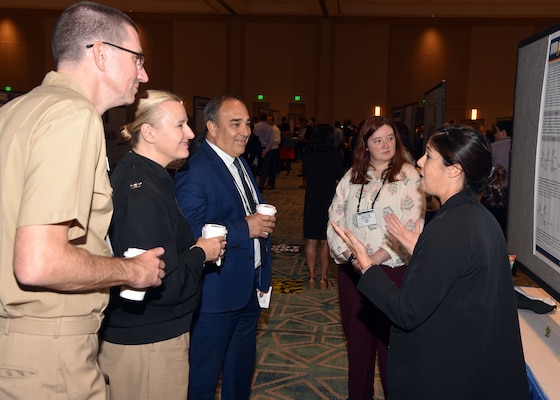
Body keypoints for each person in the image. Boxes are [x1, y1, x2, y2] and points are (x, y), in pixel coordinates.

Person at [0, 2, 165, 398]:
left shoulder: (15, 112)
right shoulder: (73, 115)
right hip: (52, 353)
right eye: (137, 58)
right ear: (102, 53)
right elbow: (39, 263)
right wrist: (131, 271)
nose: (143, 74)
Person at [331, 124, 530, 400]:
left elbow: (406, 312)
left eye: (429, 156)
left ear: (454, 170)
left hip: (453, 374)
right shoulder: (478, 217)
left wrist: (367, 267)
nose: (421, 162)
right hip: (475, 363)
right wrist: (422, 249)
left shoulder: (449, 228)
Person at [98, 90, 225, 399]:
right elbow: (157, 282)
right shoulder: (141, 189)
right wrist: (200, 253)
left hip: (148, 334)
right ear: (149, 133)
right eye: (180, 125)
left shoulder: (149, 176)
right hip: (146, 342)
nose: (191, 133)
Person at [174, 94, 275, 400]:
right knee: (203, 379)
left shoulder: (238, 162)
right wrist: (248, 226)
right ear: (212, 127)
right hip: (215, 297)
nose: (245, 131)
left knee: (239, 374)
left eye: (246, 123)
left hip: (246, 289)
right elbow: (192, 234)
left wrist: (262, 276)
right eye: (235, 124)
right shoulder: (195, 169)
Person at [326, 116, 425, 400]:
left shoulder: (409, 176)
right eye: (377, 140)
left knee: (390, 345)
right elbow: (335, 219)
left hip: (390, 273)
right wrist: (351, 256)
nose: (385, 145)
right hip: (352, 272)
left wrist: (373, 259)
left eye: (390, 138)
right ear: (365, 146)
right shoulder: (352, 176)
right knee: (358, 344)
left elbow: (411, 226)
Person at [302, 123, 344, 288]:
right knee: (325, 240)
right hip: (328, 196)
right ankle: (323, 278)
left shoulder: (307, 153)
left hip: (312, 195)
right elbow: (339, 176)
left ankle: (311, 277)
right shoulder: (334, 155)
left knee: (311, 240)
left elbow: (306, 175)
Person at [253, 111, 274, 191]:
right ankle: (261, 185)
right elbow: (271, 141)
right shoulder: (270, 128)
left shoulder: (255, 127)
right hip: (266, 149)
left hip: (257, 149)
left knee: (255, 167)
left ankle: (254, 185)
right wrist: (266, 150)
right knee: (264, 169)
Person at [491, 119, 513, 187]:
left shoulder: (494, 147)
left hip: (497, 186)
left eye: (496, 131)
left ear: (503, 133)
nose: (494, 134)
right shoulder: (517, 146)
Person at [265, 114, 281, 189]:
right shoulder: (268, 129)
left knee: (272, 168)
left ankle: (271, 183)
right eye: (267, 120)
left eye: (270, 120)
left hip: (274, 149)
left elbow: (278, 140)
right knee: (268, 168)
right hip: (269, 149)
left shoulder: (275, 129)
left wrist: (270, 140)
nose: (268, 122)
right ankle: (269, 182)